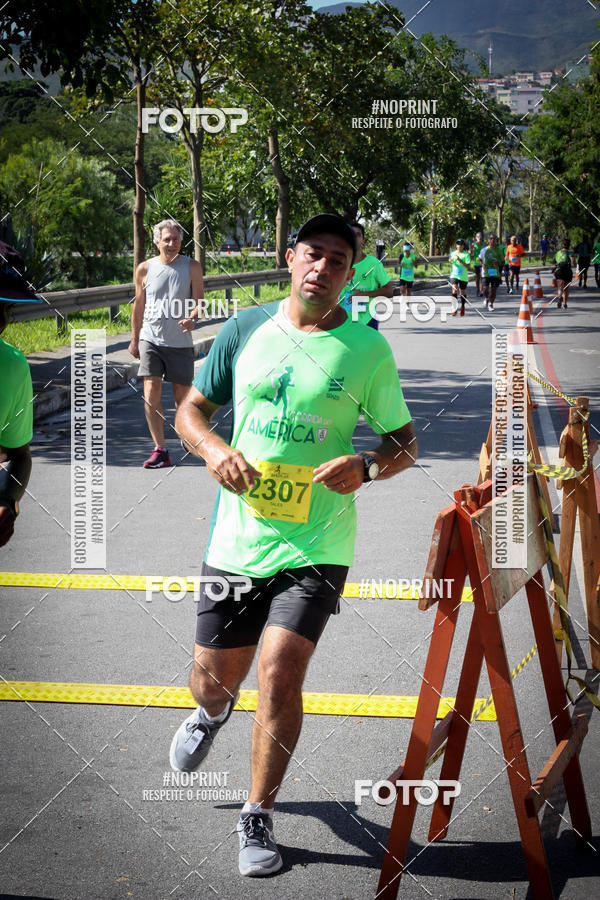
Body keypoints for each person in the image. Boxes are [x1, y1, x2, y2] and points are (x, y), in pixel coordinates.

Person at [170, 213, 417, 877]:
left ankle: (258, 814)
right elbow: (189, 411)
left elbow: (403, 442)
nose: (323, 268)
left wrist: (365, 467)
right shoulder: (245, 330)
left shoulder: (367, 350)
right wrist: (215, 449)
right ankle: (212, 711)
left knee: (281, 671)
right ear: (289, 257)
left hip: (317, 541)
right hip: (237, 539)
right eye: (314, 254)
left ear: (349, 274)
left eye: (339, 261)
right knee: (213, 678)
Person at [128, 219, 204, 468]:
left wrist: (192, 319)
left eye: (176, 239)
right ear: (156, 241)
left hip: (180, 341)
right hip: (151, 338)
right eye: (167, 239)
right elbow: (138, 305)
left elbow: (199, 302)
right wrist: (135, 338)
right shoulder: (144, 268)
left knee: (182, 398)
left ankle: (186, 434)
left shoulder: (192, 267)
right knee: (151, 392)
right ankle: (160, 449)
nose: (172, 244)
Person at [0, 242, 43, 546]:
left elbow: (19, 454)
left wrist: (8, 501)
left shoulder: (13, 366)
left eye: (8, 308)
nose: (2, 321)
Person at [338, 221, 393, 329]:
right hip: (342, 318)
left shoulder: (373, 264)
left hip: (368, 319)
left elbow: (389, 290)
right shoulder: (339, 262)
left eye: (358, 235)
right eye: (351, 235)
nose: (354, 238)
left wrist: (364, 295)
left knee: (370, 346)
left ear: (363, 239)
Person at [479, 233, 505, 310]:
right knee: (485, 289)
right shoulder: (484, 250)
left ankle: (491, 304)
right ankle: (486, 298)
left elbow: (503, 262)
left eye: (494, 239)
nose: (492, 240)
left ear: (496, 240)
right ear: (489, 240)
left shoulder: (499, 251)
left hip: (495, 273)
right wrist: (482, 265)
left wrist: (498, 263)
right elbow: (479, 259)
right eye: (491, 238)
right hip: (486, 272)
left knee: (493, 290)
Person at [449, 238, 471, 317]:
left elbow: (468, 266)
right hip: (454, 275)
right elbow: (450, 259)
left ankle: (462, 306)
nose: (459, 246)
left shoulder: (466, 255)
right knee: (454, 290)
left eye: (461, 244)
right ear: (456, 245)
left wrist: (460, 260)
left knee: (462, 292)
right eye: (458, 244)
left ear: (463, 246)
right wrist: (450, 260)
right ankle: (454, 308)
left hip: (463, 276)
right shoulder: (453, 253)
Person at [553, 238, 575, 309]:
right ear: (568, 245)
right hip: (567, 272)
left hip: (559, 271)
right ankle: (565, 304)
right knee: (566, 289)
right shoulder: (569, 253)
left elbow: (553, 262)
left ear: (562, 245)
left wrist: (556, 265)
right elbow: (573, 261)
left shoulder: (558, 253)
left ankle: (559, 298)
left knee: (560, 287)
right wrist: (574, 264)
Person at [470, 231, 485, 297]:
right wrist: (472, 249)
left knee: (481, 277)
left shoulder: (484, 244)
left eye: (480, 237)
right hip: (476, 263)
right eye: (478, 237)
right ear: (476, 238)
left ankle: (481, 291)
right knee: (477, 278)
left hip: (482, 263)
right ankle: (477, 290)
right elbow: (470, 252)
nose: (480, 238)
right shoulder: (473, 244)